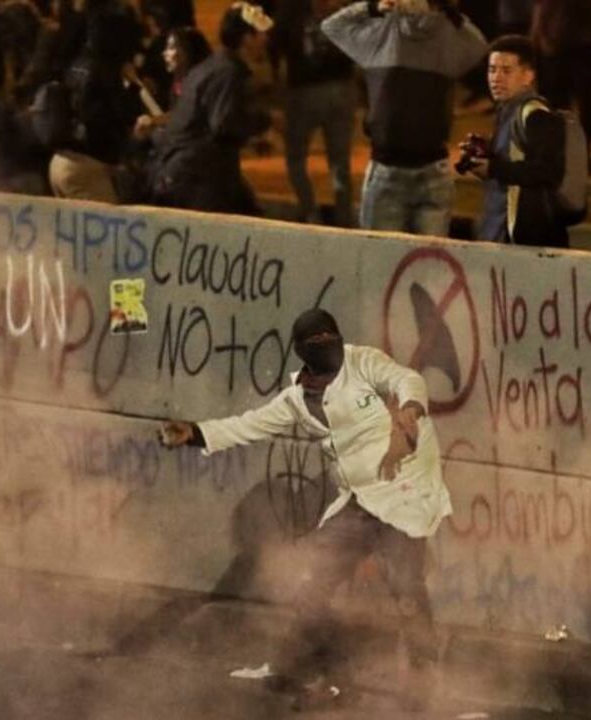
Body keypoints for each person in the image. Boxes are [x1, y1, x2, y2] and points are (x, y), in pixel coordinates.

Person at [158, 308, 450, 711]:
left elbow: (408, 379)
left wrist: (408, 412)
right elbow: (249, 424)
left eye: (330, 338)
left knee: (407, 589)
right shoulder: (297, 400)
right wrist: (195, 433)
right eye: (316, 342)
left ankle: (423, 679)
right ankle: (336, 674)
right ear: (301, 351)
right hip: (359, 502)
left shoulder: (363, 362)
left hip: (404, 493)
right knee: (308, 584)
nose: (327, 347)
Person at [322, 0, 487, 236]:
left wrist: (372, 8)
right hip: (433, 167)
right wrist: (452, 15)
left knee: (382, 255)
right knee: (428, 257)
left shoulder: (381, 34)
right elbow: (479, 45)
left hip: (388, 166)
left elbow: (332, 26)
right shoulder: (447, 34)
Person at [144, 1, 273, 215]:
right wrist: (264, 121)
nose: (266, 39)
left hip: (183, 172)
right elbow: (224, 124)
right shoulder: (229, 72)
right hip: (196, 179)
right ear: (247, 38)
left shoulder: (214, 66)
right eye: (261, 34)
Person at [461, 34, 568, 247]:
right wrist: (485, 155)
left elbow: (549, 171)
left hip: (526, 239)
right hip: (499, 231)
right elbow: (514, 161)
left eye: (506, 71)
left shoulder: (536, 115)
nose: (496, 78)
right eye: (492, 70)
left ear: (528, 76)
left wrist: (494, 168)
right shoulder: (507, 110)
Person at [274, 0, 356, 226]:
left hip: (304, 88)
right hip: (342, 86)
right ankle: (344, 218)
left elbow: (277, 43)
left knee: (295, 158)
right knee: (339, 163)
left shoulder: (290, 8)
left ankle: (310, 213)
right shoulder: (343, 6)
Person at [48, 8, 143, 202]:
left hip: (60, 161)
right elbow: (122, 112)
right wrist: (133, 87)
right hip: (85, 167)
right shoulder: (106, 69)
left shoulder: (77, 63)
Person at [532, 0, 591, 169]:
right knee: (560, 101)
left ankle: (583, 152)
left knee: (583, 100)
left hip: (581, 40)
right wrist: (539, 37)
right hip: (558, 39)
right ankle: (568, 152)